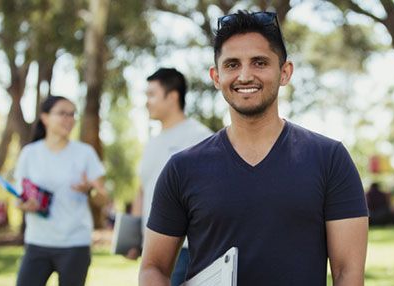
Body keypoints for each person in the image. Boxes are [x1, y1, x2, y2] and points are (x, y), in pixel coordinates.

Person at [139, 10, 369, 286]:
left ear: (285, 72)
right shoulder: (181, 168)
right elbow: (154, 268)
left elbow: (348, 273)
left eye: (259, 63)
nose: (245, 75)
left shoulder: (330, 159)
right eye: (232, 65)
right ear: (216, 76)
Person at [128, 68, 212, 286]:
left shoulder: (199, 137)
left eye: (151, 95)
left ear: (172, 96)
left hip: (183, 250)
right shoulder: (152, 142)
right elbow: (142, 188)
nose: (147, 102)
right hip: (152, 252)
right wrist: (133, 238)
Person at [14, 96, 108, 286]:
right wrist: (27, 205)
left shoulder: (85, 153)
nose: (69, 118)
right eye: (62, 113)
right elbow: (18, 199)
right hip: (37, 242)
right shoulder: (29, 154)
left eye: (72, 114)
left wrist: (89, 190)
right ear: (45, 118)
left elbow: (103, 198)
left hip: (75, 243)